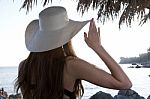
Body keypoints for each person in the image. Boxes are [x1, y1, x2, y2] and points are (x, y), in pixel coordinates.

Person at [15, 6, 132, 99]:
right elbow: (124, 83)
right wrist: (97, 47)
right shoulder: (71, 65)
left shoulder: (24, 66)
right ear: (66, 36)